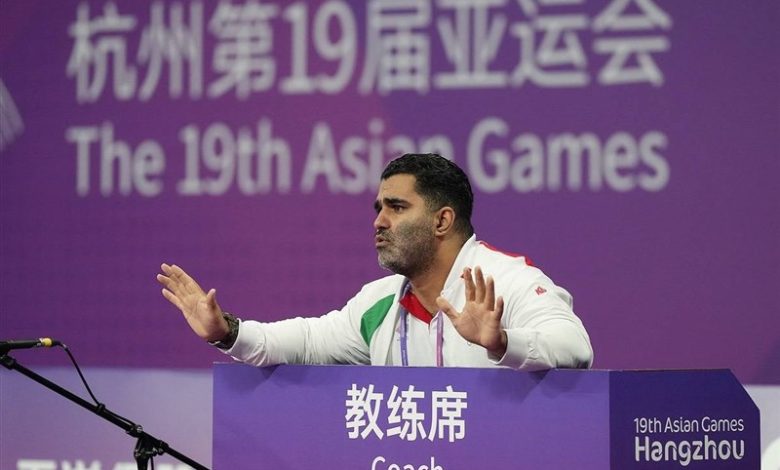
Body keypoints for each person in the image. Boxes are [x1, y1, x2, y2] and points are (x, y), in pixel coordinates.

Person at [157, 153, 593, 370]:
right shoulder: (379, 302)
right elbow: (305, 341)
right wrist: (226, 332)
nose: (379, 222)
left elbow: (576, 349)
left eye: (397, 207)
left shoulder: (507, 280)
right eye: (378, 208)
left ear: (442, 220)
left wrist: (501, 343)